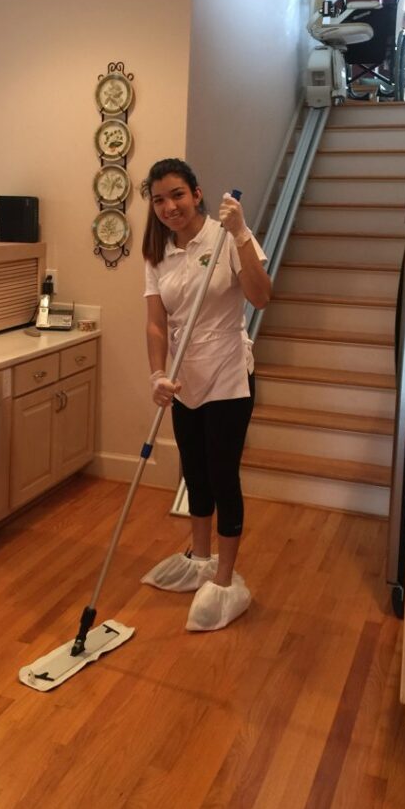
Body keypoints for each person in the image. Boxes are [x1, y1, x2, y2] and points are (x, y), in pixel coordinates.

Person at [139, 158, 271, 632]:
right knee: (193, 472)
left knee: (221, 475)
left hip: (229, 376)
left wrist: (239, 235)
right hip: (183, 378)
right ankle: (199, 557)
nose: (169, 206)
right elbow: (157, 322)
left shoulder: (227, 236)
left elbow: (261, 296)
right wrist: (157, 374)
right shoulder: (157, 253)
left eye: (177, 194)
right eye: (158, 199)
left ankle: (224, 576)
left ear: (196, 193)